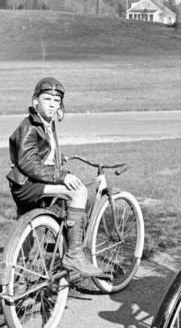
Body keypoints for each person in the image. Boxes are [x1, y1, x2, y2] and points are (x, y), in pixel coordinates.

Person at [6, 77, 106, 278]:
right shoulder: (28, 127)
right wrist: (60, 175)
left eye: (56, 101)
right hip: (28, 185)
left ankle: (18, 285)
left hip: (32, 182)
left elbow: (40, 154)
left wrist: (58, 160)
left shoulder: (45, 123)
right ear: (35, 101)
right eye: (47, 99)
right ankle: (74, 255)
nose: (52, 105)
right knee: (79, 191)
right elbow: (28, 163)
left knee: (29, 236)